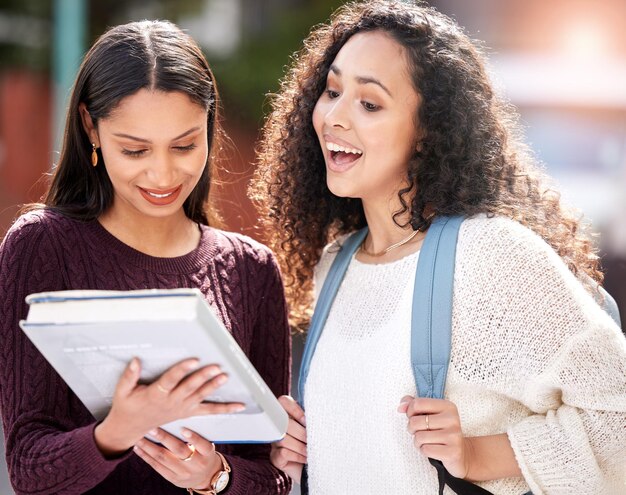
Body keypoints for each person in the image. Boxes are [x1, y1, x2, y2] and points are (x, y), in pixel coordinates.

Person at [250, 1, 626, 494]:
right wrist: (299, 451)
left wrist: (478, 453)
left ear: (428, 131)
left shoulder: (489, 254)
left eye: (369, 103)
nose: (334, 117)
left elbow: (616, 413)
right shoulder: (334, 265)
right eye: (333, 90)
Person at [0, 20, 291, 495]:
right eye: (134, 150)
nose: (163, 173)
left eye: (184, 145)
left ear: (209, 126)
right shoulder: (41, 246)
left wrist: (217, 477)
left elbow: (274, 472)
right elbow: (28, 468)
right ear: (90, 127)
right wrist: (117, 431)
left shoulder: (250, 270)